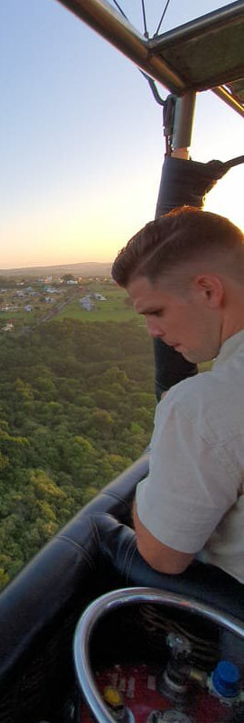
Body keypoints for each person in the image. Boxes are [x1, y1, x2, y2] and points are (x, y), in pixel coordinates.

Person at [112, 206, 244, 582]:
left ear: (207, 290)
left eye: (156, 311)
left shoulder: (201, 406)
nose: (153, 331)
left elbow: (162, 555)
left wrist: (149, 488)